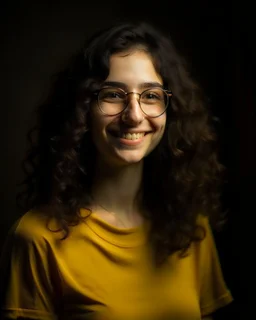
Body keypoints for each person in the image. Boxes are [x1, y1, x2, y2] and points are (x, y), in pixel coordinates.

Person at [0, 20, 233, 320]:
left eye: (150, 96)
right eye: (112, 94)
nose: (134, 116)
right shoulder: (36, 239)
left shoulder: (191, 229)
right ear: (83, 110)